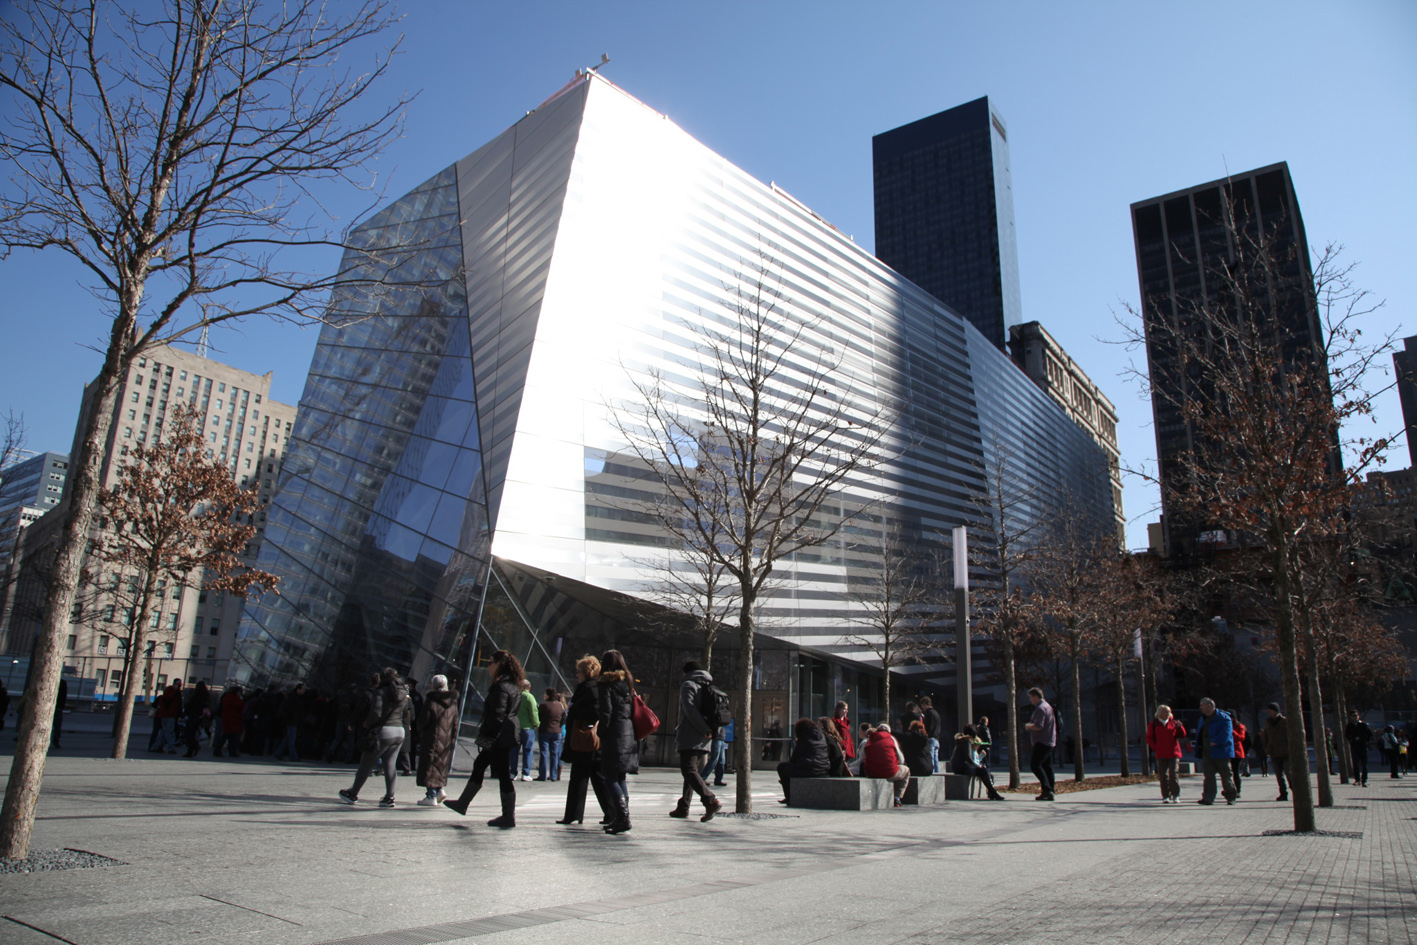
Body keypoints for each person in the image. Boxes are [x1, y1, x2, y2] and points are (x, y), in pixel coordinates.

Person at [444, 650, 524, 827]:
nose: (488, 666)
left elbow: (497, 715)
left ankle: (507, 815)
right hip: (505, 734)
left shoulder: (501, 687)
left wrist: (487, 736)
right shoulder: (513, 685)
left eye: (490, 662)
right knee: (483, 766)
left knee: (499, 772)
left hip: (498, 736)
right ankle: (464, 804)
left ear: (499, 665)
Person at [337, 668, 408, 807]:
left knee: (366, 764)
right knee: (390, 765)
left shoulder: (381, 691)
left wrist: (367, 724)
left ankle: (353, 793)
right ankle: (389, 797)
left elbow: (376, 712)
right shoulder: (404, 692)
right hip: (399, 731)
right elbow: (406, 713)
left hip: (384, 731)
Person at [558, 655, 610, 826]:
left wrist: (581, 718)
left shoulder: (588, 688)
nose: (577, 674)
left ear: (586, 672)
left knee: (579, 777)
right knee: (597, 777)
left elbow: (594, 711)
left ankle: (574, 814)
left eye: (579, 671)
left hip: (584, 738)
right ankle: (612, 812)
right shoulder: (595, 687)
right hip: (592, 741)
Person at [670, 661, 723, 821]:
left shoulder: (688, 685)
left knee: (688, 770)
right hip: (704, 736)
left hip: (691, 734)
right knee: (692, 772)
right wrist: (710, 731)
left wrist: (703, 729)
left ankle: (710, 800)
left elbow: (690, 710)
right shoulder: (709, 685)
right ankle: (683, 806)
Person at [597, 649, 639, 834]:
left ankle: (622, 817)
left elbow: (606, 711)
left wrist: (601, 732)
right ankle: (621, 817)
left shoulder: (606, 684)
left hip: (614, 734)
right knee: (620, 777)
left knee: (610, 777)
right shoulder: (627, 683)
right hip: (628, 733)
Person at [416, 675, 459, 805]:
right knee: (440, 763)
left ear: (434, 685)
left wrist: (419, 729)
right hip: (446, 738)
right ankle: (440, 789)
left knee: (430, 764)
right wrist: (452, 738)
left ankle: (431, 795)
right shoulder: (453, 702)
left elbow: (424, 720)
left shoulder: (431, 700)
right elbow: (455, 722)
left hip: (432, 736)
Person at [1193, 697, 1238, 805]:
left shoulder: (1224, 718)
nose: (1200, 708)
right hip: (1207, 752)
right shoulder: (1202, 719)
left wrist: (1216, 741)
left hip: (1222, 752)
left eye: (1202, 705)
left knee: (1226, 775)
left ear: (1209, 705)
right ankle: (1208, 798)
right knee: (1208, 776)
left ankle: (1231, 795)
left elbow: (1226, 734)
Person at [777, 717, 831, 805]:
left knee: (782, 768)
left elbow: (795, 757)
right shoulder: (821, 736)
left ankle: (789, 797)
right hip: (824, 768)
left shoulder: (804, 738)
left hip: (811, 769)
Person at [860, 722, 910, 807]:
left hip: (871, 772)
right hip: (889, 772)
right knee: (906, 771)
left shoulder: (869, 739)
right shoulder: (892, 738)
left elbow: (862, 758)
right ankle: (897, 798)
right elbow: (901, 759)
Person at [950, 725, 1004, 800]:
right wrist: (977, 766)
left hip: (959, 766)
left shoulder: (963, 741)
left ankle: (992, 793)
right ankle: (993, 793)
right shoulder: (966, 742)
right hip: (961, 767)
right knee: (983, 771)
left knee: (986, 771)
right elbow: (968, 757)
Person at [1146, 704, 1186, 803]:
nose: (1168, 714)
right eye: (1165, 711)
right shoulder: (1154, 724)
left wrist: (1180, 728)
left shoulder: (1174, 723)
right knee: (1163, 776)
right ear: (1160, 713)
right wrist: (1156, 748)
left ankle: (1176, 795)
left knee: (1173, 774)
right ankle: (1165, 795)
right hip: (1161, 754)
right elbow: (1149, 738)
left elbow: (1183, 735)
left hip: (1174, 753)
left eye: (1169, 712)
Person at [1023, 687, 1057, 801]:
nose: (1030, 700)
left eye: (1031, 697)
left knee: (1035, 765)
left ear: (1036, 696)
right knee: (1047, 767)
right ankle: (1050, 790)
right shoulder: (1048, 706)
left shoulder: (1040, 709)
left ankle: (1047, 790)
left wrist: (1028, 726)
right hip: (1050, 741)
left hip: (1042, 741)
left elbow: (1038, 725)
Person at [510, 679, 539, 782]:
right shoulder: (529, 697)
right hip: (527, 728)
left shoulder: (515, 696)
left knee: (514, 751)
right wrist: (536, 723)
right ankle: (525, 773)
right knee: (527, 751)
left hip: (515, 727)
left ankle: (513, 772)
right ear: (529, 687)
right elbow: (533, 711)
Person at [1261, 702, 1290, 801]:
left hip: (1286, 752)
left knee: (1289, 774)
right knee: (1279, 776)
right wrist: (1266, 747)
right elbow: (1265, 736)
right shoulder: (1268, 722)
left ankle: (1296, 792)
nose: (1269, 712)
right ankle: (1283, 793)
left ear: (1276, 711)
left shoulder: (1285, 721)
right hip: (1274, 752)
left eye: (1271, 710)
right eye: (1268, 710)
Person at [536, 687, 566, 781]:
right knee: (554, 753)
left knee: (544, 752)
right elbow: (564, 718)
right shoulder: (560, 705)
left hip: (545, 730)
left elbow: (539, 717)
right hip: (557, 731)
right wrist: (559, 725)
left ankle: (543, 775)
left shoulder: (543, 705)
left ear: (547, 695)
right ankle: (554, 775)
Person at [272, 683, 306, 761]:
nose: (304, 691)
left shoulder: (293, 697)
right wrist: (294, 716)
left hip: (292, 720)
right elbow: (291, 709)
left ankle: (278, 752)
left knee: (288, 737)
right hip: (292, 720)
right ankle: (293, 756)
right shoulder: (293, 698)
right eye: (303, 689)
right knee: (291, 739)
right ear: (299, 689)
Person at [396, 677, 423, 776]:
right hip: (408, 724)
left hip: (411, 725)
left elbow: (415, 713)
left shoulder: (414, 697)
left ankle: (409, 765)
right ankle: (405, 765)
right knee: (405, 746)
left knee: (409, 747)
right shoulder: (409, 695)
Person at [153, 678, 183, 753]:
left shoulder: (175, 692)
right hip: (169, 714)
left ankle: (157, 746)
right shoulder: (171, 691)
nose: (178, 687)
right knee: (169, 731)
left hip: (168, 714)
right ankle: (170, 747)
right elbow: (168, 699)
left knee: (164, 731)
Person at [182, 681, 212, 757]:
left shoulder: (195, 696)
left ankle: (193, 748)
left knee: (189, 734)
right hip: (200, 717)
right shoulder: (206, 696)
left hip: (193, 716)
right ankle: (192, 749)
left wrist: (184, 714)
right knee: (193, 733)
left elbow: (189, 706)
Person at [214, 685, 244, 757]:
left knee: (226, 735)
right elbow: (240, 706)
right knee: (232, 737)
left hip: (228, 719)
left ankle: (218, 750)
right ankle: (231, 751)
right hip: (234, 719)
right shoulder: (234, 699)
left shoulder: (226, 698)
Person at [1344, 710, 1372, 787]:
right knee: (1355, 764)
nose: (1355, 717)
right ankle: (1357, 780)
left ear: (1358, 716)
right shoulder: (1349, 726)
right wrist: (1352, 739)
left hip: (1363, 746)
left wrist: (1365, 741)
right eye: (1353, 716)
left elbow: (1370, 734)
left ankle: (1364, 780)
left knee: (1364, 764)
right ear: (1351, 717)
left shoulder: (1363, 725)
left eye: (1356, 715)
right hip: (1354, 746)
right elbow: (1347, 734)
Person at [920, 697, 942, 773]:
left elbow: (929, 727)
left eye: (923, 705)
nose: (922, 707)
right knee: (936, 758)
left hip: (930, 738)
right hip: (936, 738)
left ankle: (931, 773)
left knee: (931, 757)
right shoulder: (936, 713)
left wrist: (925, 735)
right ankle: (937, 773)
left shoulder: (928, 714)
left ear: (925, 704)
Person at [1229, 713, 1247, 797]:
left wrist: (1232, 732)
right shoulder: (1224, 725)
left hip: (1237, 752)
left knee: (1235, 772)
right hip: (1227, 751)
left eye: (1230, 718)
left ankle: (1238, 790)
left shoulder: (1240, 726)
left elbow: (1241, 738)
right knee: (1228, 773)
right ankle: (1229, 789)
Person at [51, 677, 68, 749]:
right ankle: (56, 740)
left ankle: (55, 739)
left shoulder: (59, 683)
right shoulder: (62, 683)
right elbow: (64, 696)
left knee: (56, 725)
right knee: (57, 725)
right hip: (58, 708)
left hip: (54, 707)